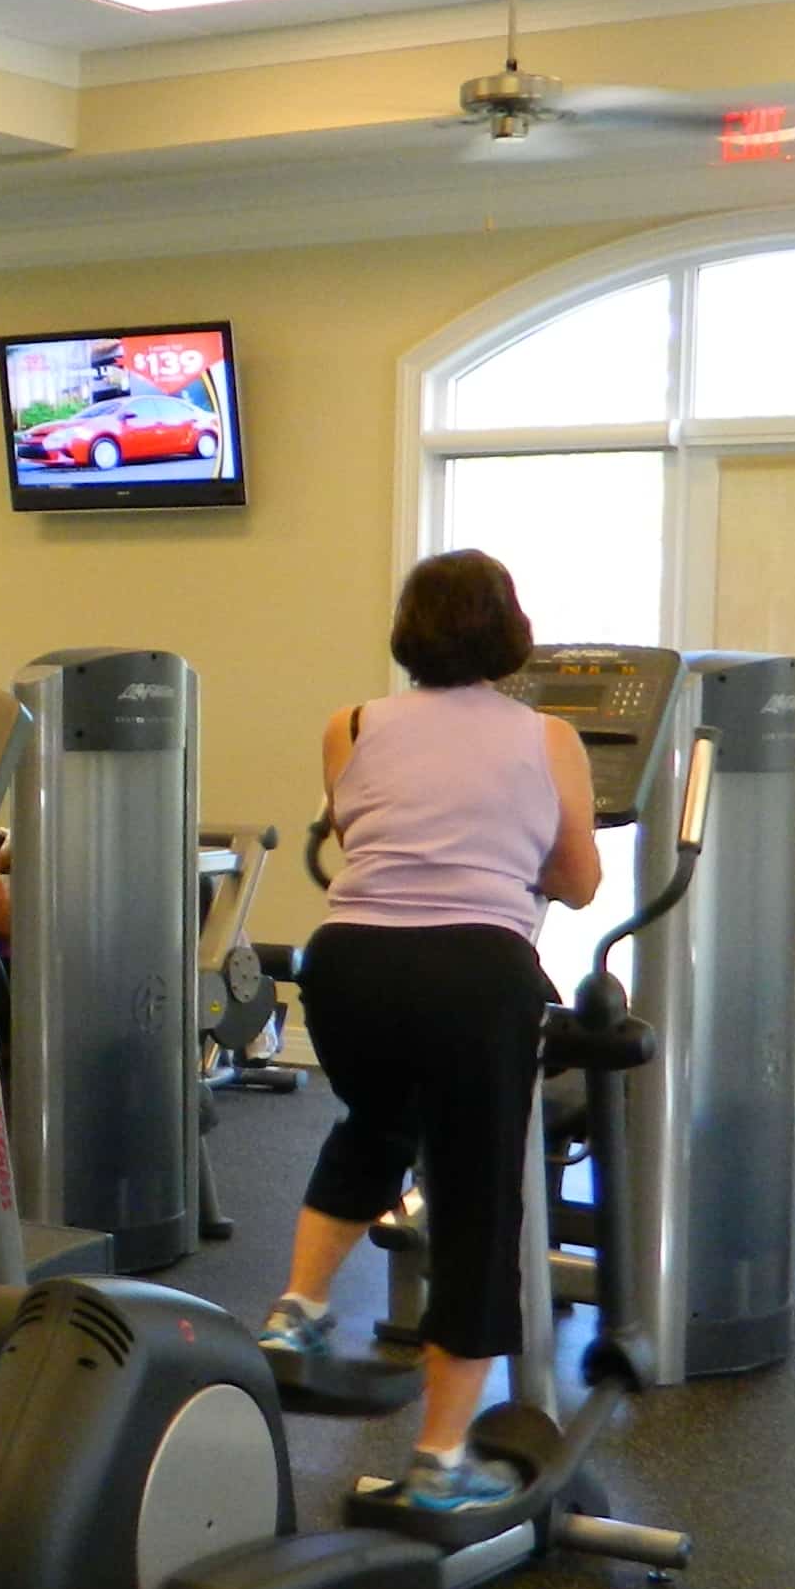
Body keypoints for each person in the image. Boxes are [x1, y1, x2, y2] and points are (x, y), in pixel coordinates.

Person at [262, 549, 604, 1501]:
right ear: (510, 632)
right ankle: (440, 1461)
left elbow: (361, 832)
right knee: (477, 1204)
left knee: (374, 1125)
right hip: (473, 974)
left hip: (348, 965)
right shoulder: (550, 737)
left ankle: (298, 1308)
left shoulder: (350, 724)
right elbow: (578, 883)